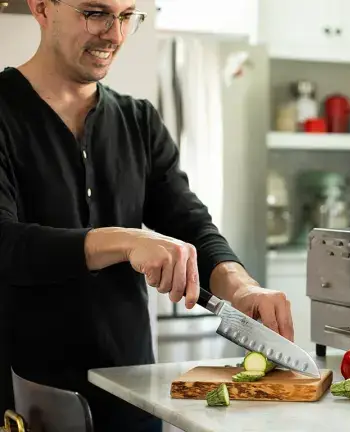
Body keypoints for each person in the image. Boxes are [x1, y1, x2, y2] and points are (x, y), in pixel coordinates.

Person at [0, 0, 294, 430]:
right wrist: (125, 240)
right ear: (43, 8)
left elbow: (190, 222)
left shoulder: (139, 121)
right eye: (95, 13)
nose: (115, 36)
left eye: (125, 16)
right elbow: (6, 244)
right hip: (27, 398)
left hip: (130, 393)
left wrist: (242, 288)